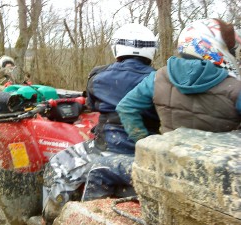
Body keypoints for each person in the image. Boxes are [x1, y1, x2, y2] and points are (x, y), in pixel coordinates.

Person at [42, 23, 160, 223]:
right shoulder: (160, 79)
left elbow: (92, 105)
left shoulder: (98, 76)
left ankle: (51, 217)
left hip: (106, 148)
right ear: (151, 50)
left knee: (56, 166)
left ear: (117, 48)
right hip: (145, 151)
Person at [116, 18, 241, 144]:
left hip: (170, 159)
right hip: (218, 162)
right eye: (231, 49)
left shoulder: (158, 77)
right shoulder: (235, 87)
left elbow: (125, 107)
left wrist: (145, 143)